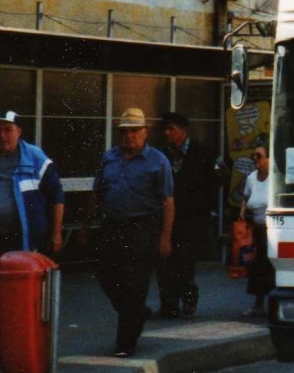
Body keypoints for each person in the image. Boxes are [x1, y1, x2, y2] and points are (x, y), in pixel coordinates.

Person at [88, 108, 174, 358]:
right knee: (106, 276)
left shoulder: (158, 161)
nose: (129, 136)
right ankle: (138, 313)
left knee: (135, 285)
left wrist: (165, 237)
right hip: (112, 226)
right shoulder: (109, 158)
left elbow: (168, 202)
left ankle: (125, 343)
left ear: (145, 132)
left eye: (134, 131)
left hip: (142, 228)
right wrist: (86, 225)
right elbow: (97, 192)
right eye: (124, 131)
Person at [155, 112, 217, 319]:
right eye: (165, 129)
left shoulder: (202, 152)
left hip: (193, 217)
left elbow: (215, 181)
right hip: (168, 216)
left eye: (171, 129)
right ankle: (168, 305)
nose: (167, 133)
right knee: (165, 263)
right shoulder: (163, 154)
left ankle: (189, 300)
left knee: (185, 263)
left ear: (183, 130)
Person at [0, 110, 65, 261]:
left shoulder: (35, 156)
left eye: (7, 130)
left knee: (22, 281)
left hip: (24, 238)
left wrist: (56, 233)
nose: (1, 136)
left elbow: (56, 195)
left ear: (19, 131)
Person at [239, 145, 273, 316]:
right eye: (254, 156)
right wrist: (242, 214)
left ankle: (274, 304)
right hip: (256, 229)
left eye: (259, 156)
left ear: (269, 158)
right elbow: (245, 199)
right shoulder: (252, 178)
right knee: (257, 267)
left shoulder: (276, 177)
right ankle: (258, 304)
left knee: (269, 266)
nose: (255, 160)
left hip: (273, 231)